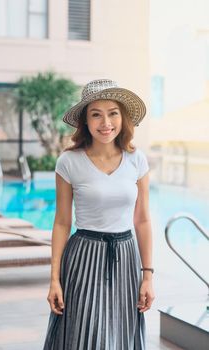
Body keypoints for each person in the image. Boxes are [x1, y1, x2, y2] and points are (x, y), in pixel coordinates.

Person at [43, 79, 155, 350]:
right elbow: (61, 223)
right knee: (84, 336)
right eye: (96, 114)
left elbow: (142, 220)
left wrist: (148, 276)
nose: (105, 122)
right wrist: (54, 280)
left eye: (113, 113)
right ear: (86, 121)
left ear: (123, 117)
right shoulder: (69, 162)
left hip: (126, 258)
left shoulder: (136, 160)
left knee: (120, 336)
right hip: (83, 257)